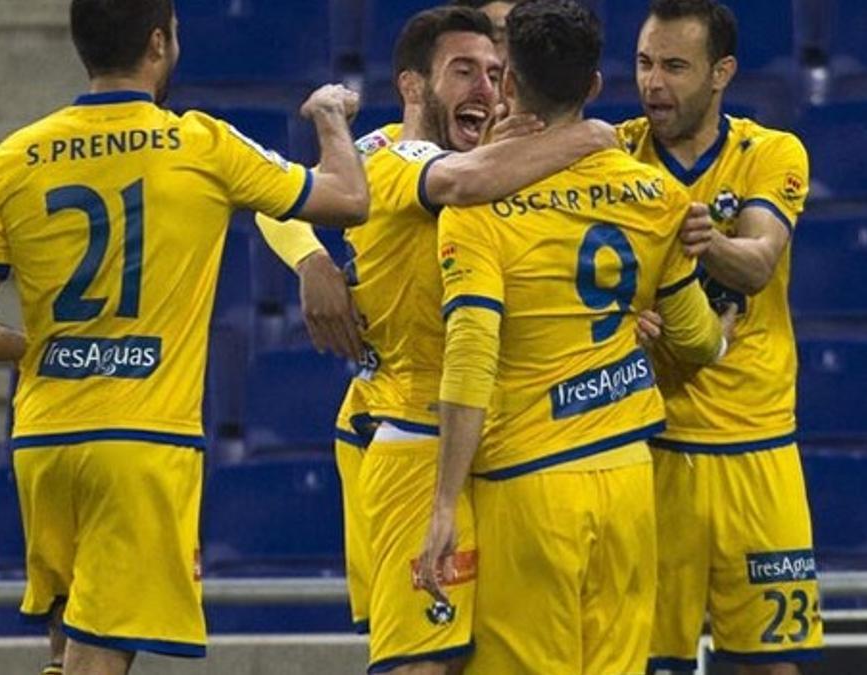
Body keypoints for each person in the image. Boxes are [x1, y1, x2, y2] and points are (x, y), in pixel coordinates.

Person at [0, 0, 369, 673]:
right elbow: (348, 197)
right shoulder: (199, 143)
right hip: (139, 441)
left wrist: (35, 350)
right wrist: (331, 118)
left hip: (44, 441)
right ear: (159, 42)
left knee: (69, 642)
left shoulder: (13, 157)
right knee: (103, 658)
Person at [256, 8, 618, 673]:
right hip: (412, 431)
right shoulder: (388, 157)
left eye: (493, 73)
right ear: (414, 87)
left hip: (486, 436)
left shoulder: (498, 154)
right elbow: (273, 193)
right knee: (423, 658)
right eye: (464, 72)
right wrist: (312, 261)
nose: (485, 87)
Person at [417, 1, 730, 673]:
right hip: (625, 476)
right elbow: (697, 340)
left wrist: (443, 501)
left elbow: (472, 355)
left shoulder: (476, 208)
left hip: (528, 484)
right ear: (593, 87)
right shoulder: (655, 195)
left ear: (506, 84)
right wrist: (724, 335)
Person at [617, 1, 823, 673]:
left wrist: (703, 242)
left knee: (772, 663)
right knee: (645, 661)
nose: (654, 83)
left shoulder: (769, 152)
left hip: (756, 449)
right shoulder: (613, 156)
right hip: (650, 447)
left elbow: (760, 261)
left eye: (675, 66)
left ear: (721, 73)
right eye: (646, 63)